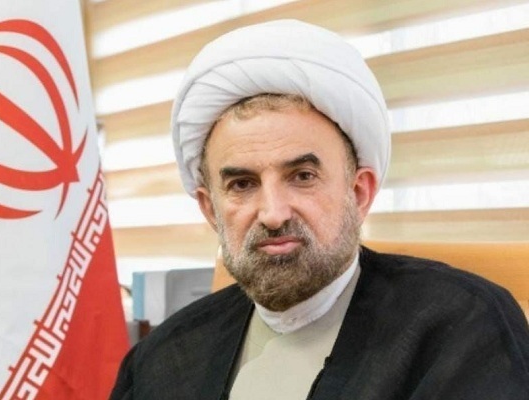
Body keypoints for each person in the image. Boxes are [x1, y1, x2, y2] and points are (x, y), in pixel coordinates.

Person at [110, 20, 529, 400]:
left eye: (303, 176)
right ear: (210, 210)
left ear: (359, 192)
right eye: (242, 184)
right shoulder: (161, 359)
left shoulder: (461, 328)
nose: (273, 214)